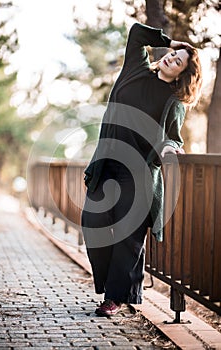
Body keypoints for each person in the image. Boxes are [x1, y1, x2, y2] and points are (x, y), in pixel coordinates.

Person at [81, 22, 202, 317]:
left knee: (128, 236)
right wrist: (174, 43)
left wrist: (170, 147)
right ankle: (118, 287)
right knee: (93, 224)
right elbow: (136, 33)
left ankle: (116, 297)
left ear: (182, 75)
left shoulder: (174, 102)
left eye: (178, 63)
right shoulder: (135, 69)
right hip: (108, 162)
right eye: (172, 56)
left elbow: (172, 135)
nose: (170, 60)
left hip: (139, 173)